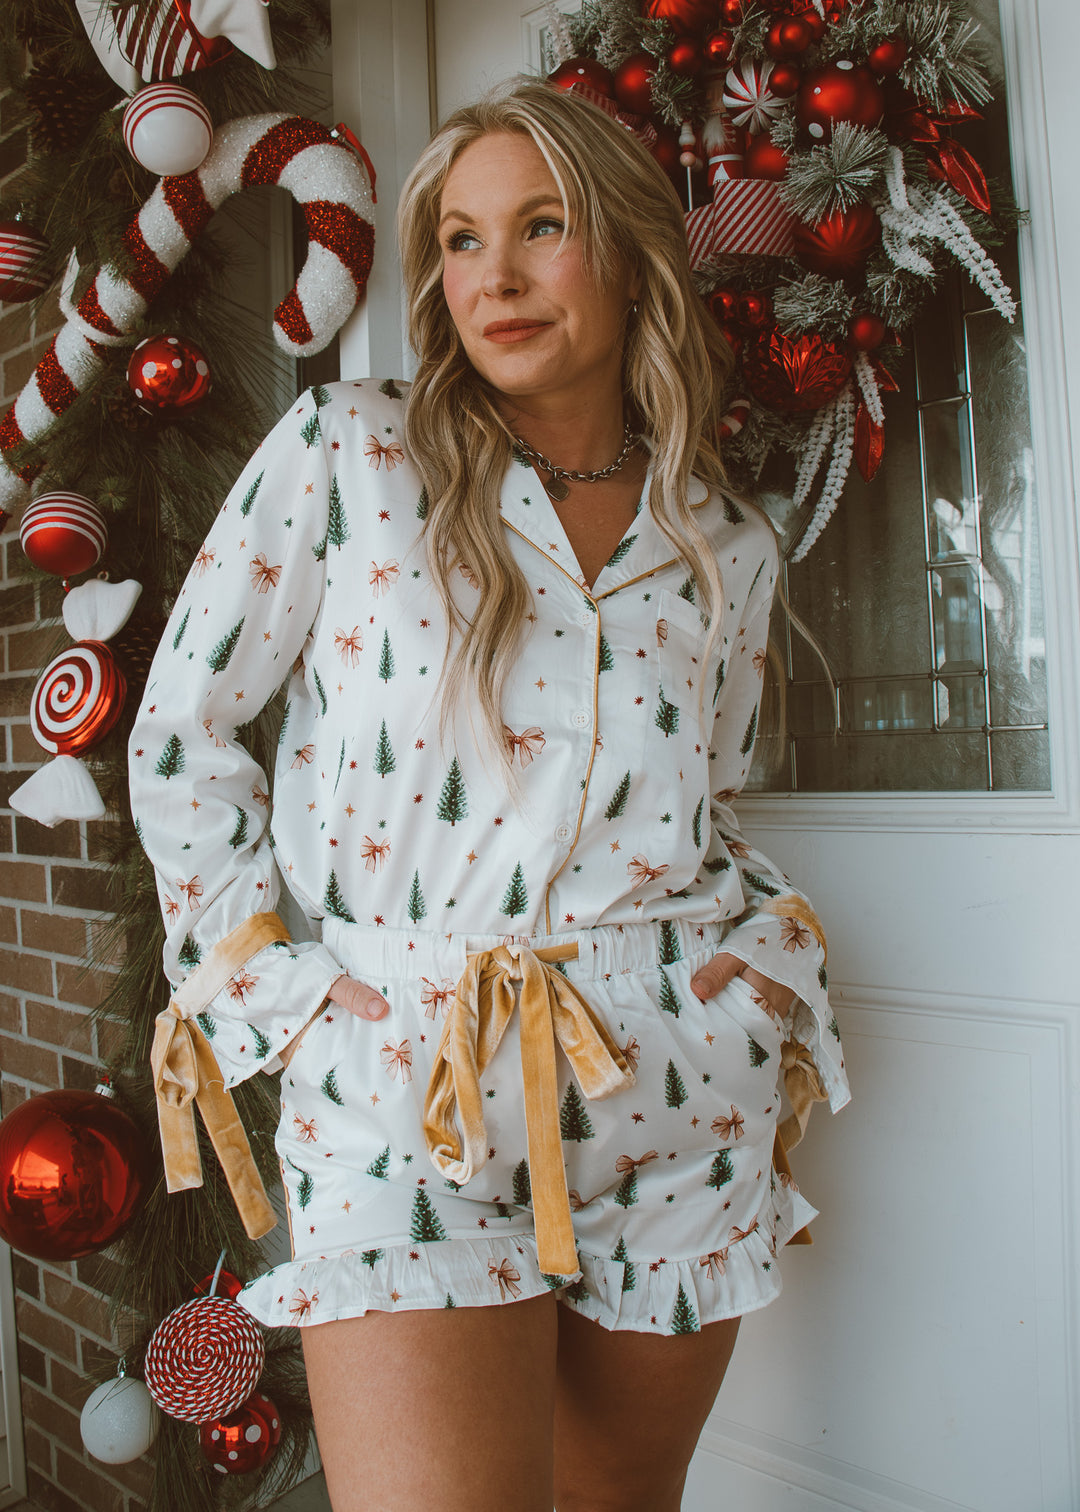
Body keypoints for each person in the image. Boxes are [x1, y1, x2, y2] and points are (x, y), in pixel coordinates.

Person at [130, 79, 848, 1512]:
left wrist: (749, 977)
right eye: (460, 240)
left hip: (672, 1072)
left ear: (633, 251)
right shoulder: (351, 455)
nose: (494, 278)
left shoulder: (725, 537)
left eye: (541, 228)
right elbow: (180, 736)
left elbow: (703, 802)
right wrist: (278, 992)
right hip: (408, 1070)